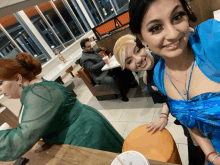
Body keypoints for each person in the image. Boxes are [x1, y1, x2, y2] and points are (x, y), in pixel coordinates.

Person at [129, 0, 220, 164]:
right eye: (156, 28)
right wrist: (212, 155)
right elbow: (191, 123)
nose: (173, 34)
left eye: (177, 17)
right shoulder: (159, 74)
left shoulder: (213, 43)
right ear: (141, 38)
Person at [0, 52, 124, 161]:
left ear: (18, 78)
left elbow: (21, 138)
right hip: (85, 127)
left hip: (85, 134)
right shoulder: (35, 89)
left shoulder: (38, 93)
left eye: (1, 83)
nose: (0, 90)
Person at [114, 34, 205, 164]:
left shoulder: (168, 59)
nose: (138, 59)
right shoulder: (149, 79)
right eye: (129, 61)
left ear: (144, 45)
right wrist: (163, 116)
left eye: (138, 50)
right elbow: (166, 99)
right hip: (187, 123)